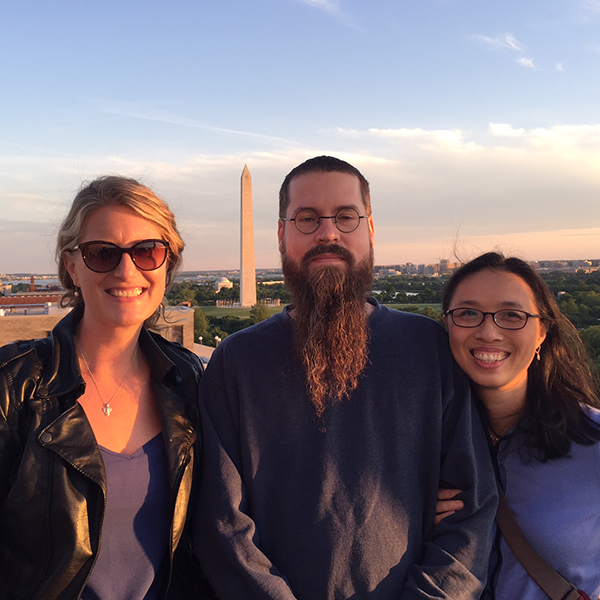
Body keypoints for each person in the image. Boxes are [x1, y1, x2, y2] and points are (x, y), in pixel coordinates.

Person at [195, 155, 498, 599]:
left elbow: (471, 517)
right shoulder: (236, 361)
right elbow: (223, 526)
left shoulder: (430, 349)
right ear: (281, 234)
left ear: (370, 230)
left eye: (345, 217)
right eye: (307, 218)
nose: (328, 233)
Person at [0, 176, 211, 599]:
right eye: (102, 254)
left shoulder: (186, 379)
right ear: (72, 267)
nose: (127, 270)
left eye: (147, 251)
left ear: (167, 265)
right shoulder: (14, 384)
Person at [438, 252, 600, 599]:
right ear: (447, 325)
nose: (488, 332)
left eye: (511, 315)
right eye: (467, 313)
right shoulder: (427, 445)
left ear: (542, 332)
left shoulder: (594, 443)